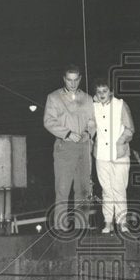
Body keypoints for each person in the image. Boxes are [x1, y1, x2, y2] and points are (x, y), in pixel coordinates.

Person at [43, 64, 95, 231]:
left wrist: (88, 132)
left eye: (75, 80)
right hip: (64, 146)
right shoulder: (53, 97)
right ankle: (60, 226)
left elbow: (93, 121)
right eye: (69, 80)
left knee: (84, 188)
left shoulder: (88, 99)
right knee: (63, 188)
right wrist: (67, 133)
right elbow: (48, 121)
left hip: (84, 147)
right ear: (64, 79)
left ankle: (82, 225)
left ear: (80, 79)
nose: (72, 84)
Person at [91, 78, 135, 234]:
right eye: (99, 91)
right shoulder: (93, 107)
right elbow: (90, 128)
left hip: (120, 154)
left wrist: (120, 142)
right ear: (95, 93)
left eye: (105, 91)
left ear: (111, 91)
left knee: (119, 189)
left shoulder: (120, 104)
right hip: (101, 155)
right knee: (106, 190)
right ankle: (108, 222)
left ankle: (123, 222)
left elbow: (130, 129)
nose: (102, 94)